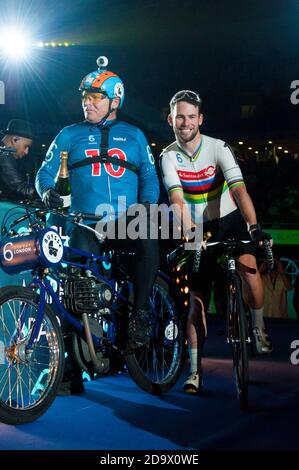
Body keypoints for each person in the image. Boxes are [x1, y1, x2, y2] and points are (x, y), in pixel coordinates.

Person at [35, 56, 160, 394]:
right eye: (84, 98)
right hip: (84, 223)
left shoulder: (134, 135)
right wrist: (47, 192)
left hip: (124, 221)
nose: (86, 104)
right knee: (77, 288)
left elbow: (149, 177)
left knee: (149, 233)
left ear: (114, 101)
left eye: (94, 98)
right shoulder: (68, 134)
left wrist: (147, 208)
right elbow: (43, 174)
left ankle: (140, 316)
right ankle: (72, 370)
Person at [160, 90, 272, 394]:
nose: (185, 123)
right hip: (198, 226)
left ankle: (259, 327)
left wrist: (254, 227)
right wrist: (191, 235)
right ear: (171, 119)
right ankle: (195, 371)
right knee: (196, 302)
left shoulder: (218, 147)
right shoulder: (168, 155)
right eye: (180, 117)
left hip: (230, 219)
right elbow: (176, 200)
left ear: (200, 119)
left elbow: (239, 191)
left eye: (191, 117)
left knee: (249, 265)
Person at [0, 119, 35, 201]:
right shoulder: (3, 154)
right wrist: (45, 191)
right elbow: (20, 188)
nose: (26, 152)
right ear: (15, 139)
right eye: (26, 146)